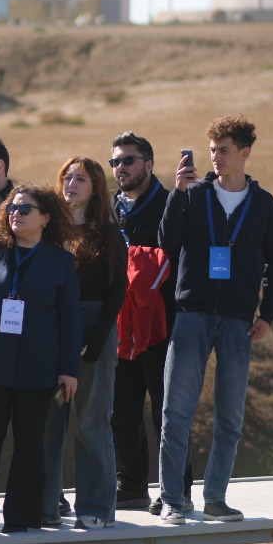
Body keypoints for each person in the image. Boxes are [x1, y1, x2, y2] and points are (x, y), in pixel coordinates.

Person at [156, 115, 273, 525]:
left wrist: (267, 313)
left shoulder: (263, 204)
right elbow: (166, 242)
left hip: (236, 321)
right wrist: (177, 193)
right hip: (191, 316)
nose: (215, 157)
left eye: (224, 150)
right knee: (176, 413)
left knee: (230, 418)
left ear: (245, 153)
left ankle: (215, 498)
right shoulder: (194, 195)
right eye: (212, 150)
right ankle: (173, 500)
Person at [0, 183, 81, 533]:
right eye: (12, 208)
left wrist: (69, 370)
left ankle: (22, 518)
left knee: (30, 443)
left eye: (25, 209)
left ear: (45, 218)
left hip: (37, 367)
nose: (16, 214)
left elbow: (70, 321)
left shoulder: (61, 262)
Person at [106, 132, 192, 514]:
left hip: (163, 326)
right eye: (115, 162)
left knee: (166, 411)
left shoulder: (172, 203)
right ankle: (130, 486)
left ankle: (176, 489)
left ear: (149, 164)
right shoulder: (110, 208)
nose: (120, 168)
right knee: (121, 410)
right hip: (121, 326)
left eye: (128, 160)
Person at [41, 158, 126, 529]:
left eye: (81, 179)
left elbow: (118, 290)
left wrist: (97, 339)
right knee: (47, 422)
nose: (71, 184)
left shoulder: (106, 232)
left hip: (94, 326)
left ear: (95, 189)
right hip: (51, 326)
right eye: (67, 177)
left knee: (92, 422)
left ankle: (96, 508)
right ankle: (45, 506)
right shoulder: (48, 228)